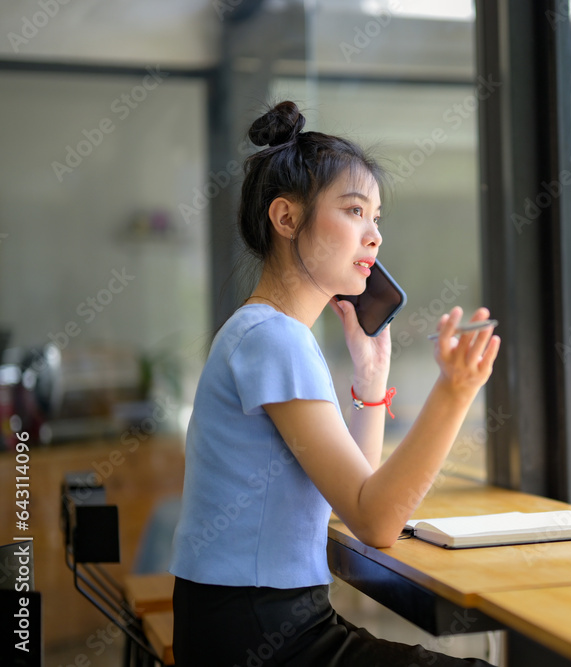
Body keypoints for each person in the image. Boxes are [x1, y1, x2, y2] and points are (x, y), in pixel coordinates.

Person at [167, 101, 500, 666]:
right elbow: (376, 521)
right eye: (353, 211)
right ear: (287, 219)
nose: (373, 237)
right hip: (261, 632)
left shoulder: (267, 332)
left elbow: (352, 502)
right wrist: (456, 392)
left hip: (245, 622)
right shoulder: (274, 339)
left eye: (376, 219)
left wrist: (371, 383)